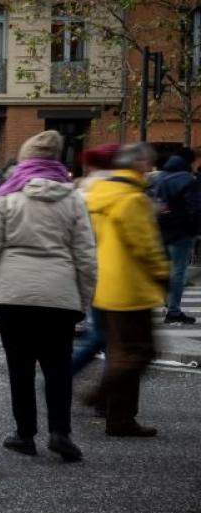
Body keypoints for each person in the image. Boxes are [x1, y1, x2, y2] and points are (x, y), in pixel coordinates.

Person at [0, 131, 96, 463]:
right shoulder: (73, 200)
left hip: (12, 295)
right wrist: (83, 300)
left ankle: (24, 434)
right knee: (58, 367)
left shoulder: (7, 198)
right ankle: (60, 432)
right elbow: (86, 255)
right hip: (59, 296)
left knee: (20, 368)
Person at [84, 142, 169, 438]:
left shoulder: (100, 194)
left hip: (105, 284)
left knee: (120, 353)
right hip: (130, 287)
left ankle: (119, 418)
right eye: (147, 164)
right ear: (137, 165)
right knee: (141, 352)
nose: (150, 169)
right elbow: (145, 245)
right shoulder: (132, 199)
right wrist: (162, 274)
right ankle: (101, 396)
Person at [72, 144, 119, 377]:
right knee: (106, 336)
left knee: (102, 333)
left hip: (89, 271)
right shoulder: (118, 194)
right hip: (110, 274)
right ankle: (69, 372)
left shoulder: (80, 194)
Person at [149, 149, 201, 325]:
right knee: (178, 271)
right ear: (190, 162)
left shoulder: (159, 178)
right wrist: (194, 229)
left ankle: (164, 301)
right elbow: (194, 209)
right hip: (181, 232)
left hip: (160, 230)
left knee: (165, 268)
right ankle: (173, 310)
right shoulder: (188, 180)